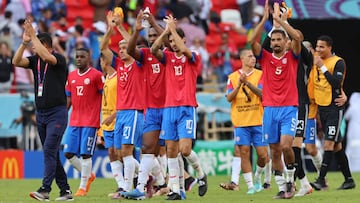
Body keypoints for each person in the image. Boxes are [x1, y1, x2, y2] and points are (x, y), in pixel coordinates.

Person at [12, 19, 73, 201]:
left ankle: (45, 189)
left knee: (48, 149)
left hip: (57, 112)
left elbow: (47, 57)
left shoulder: (59, 60)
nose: (32, 48)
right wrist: (24, 43)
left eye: (34, 45)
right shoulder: (34, 61)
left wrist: (33, 36)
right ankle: (65, 191)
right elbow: (16, 61)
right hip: (42, 114)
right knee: (51, 152)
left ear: (44, 45)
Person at [248, 0, 302, 199]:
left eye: (279, 40)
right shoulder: (265, 58)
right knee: (275, 150)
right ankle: (282, 187)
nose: (276, 43)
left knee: (287, 146)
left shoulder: (293, 56)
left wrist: (281, 21)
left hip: (289, 108)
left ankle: (290, 180)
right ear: (270, 43)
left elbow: (297, 37)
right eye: (274, 40)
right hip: (269, 109)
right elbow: (252, 41)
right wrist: (264, 20)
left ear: (285, 42)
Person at [151, 15, 208, 200]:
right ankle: (177, 190)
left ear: (183, 39)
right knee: (171, 151)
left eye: (177, 40)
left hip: (186, 107)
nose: (174, 44)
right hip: (169, 108)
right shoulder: (167, 57)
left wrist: (172, 30)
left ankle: (200, 174)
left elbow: (184, 49)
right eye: (171, 42)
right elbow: (153, 49)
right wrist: (167, 31)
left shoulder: (194, 56)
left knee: (185, 149)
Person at [121, 10, 167, 200]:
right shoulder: (146, 55)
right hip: (152, 110)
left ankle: (179, 184)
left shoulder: (170, 54)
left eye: (155, 35)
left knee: (174, 151)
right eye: (149, 36)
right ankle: (140, 188)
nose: (151, 38)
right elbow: (131, 50)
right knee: (147, 148)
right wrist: (137, 30)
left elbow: (169, 36)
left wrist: (156, 24)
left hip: (171, 108)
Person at [100, 10, 144, 195]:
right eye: (120, 48)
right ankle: (150, 174)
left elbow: (133, 46)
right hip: (122, 113)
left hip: (133, 111)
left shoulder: (138, 65)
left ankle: (127, 188)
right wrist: (111, 30)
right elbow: (103, 48)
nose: (122, 50)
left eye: (125, 47)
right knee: (118, 153)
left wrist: (121, 28)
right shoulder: (118, 66)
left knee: (126, 151)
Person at [220, 49, 270, 194]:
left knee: (263, 155)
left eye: (254, 56)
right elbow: (229, 98)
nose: (253, 58)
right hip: (241, 122)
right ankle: (250, 186)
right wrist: (239, 85)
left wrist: (247, 84)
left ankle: (258, 176)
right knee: (244, 152)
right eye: (249, 56)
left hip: (258, 120)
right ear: (242, 59)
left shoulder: (260, 74)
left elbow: (262, 94)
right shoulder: (232, 77)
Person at [310, 35, 356, 191]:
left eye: (322, 47)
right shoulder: (315, 58)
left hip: (334, 108)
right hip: (322, 108)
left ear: (329, 47)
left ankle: (321, 179)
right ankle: (349, 179)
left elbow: (336, 83)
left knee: (328, 143)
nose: (318, 49)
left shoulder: (338, 62)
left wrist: (322, 67)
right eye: (317, 46)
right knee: (336, 146)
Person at [63, 48, 104, 196]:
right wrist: (62, 115)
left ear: (89, 58)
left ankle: (82, 187)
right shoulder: (71, 76)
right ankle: (89, 175)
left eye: (82, 57)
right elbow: (69, 99)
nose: (79, 59)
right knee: (68, 153)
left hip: (90, 122)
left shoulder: (97, 76)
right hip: (74, 121)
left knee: (86, 154)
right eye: (77, 56)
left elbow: (104, 96)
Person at [99, 54, 126, 196]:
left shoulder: (119, 78)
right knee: (111, 153)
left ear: (106, 61)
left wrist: (112, 116)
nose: (100, 63)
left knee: (122, 154)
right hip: (107, 123)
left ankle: (150, 177)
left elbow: (124, 101)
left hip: (118, 121)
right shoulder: (106, 79)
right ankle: (121, 186)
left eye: (101, 60)